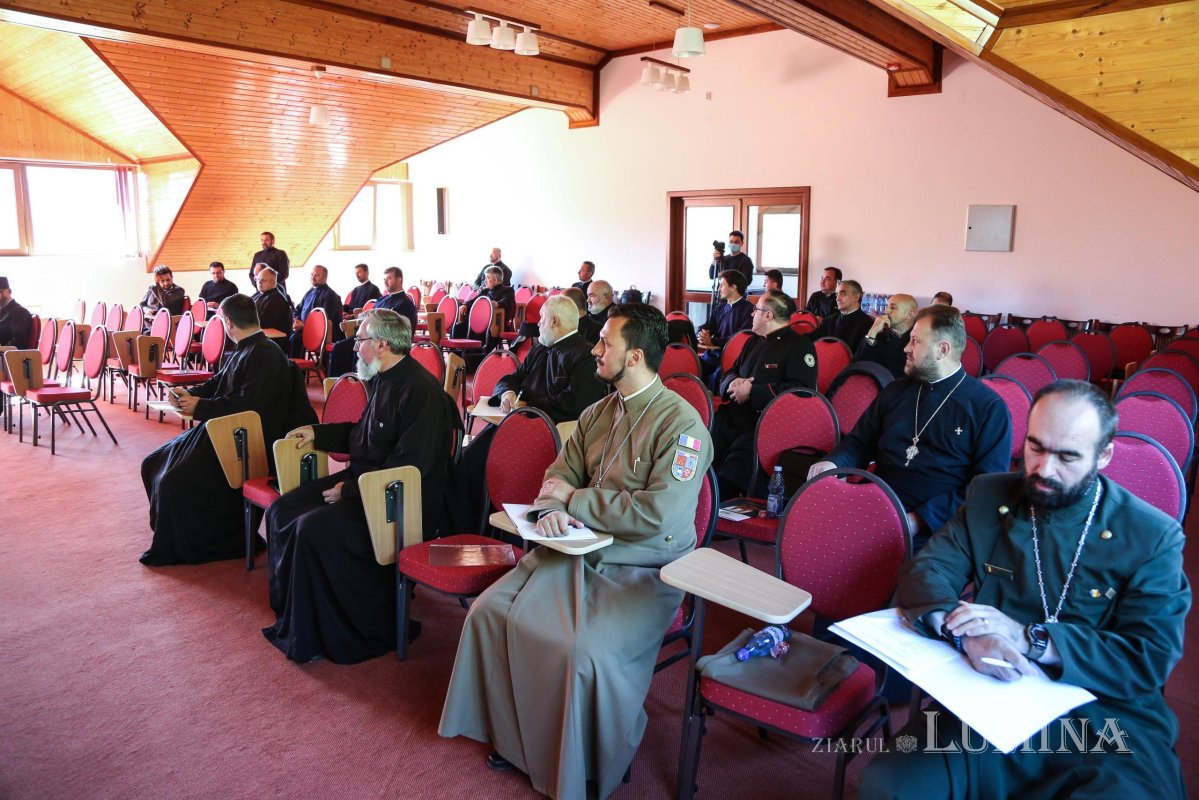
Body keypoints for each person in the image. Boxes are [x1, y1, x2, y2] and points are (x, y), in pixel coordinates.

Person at [860, 380, 1190, 800]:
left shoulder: (1152, 536)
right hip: (991, 689)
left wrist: (1030, 637)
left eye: (1068, 456)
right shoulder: (989, 495)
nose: (1044, 469)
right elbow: (928, 571)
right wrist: (965, 631)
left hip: (1102, 712)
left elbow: (1148, 656)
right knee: (888, 786)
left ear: (1103, 455)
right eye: (1035, 448)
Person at [439, 303, 713, 800]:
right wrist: (551, 508)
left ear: (634, 357)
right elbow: (559, 474)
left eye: (605, 342)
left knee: (580, 651)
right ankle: (514, 738)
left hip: (643, 568)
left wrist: (577, 502)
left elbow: (661, 516)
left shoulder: (683, 425)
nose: (595, 349)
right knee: (489, 611)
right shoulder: (597, 412)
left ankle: (578, 762)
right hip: (575, 549)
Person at [263, 309, 458, 664]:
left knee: (313, 528)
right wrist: (317, 433)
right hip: (367, 483)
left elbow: (409, 466)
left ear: (382, 344)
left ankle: (326, 633)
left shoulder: (422, 393)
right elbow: (363, 435)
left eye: (360, 340)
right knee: (282, 509)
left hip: (396, 503)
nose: (355, 348)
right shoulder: (383, 378)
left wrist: (350, 491)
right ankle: (292, 617)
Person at [807, 305, 1011, 547]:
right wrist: (834, 463)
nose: (906, 348)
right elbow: (860, 442)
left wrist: (920, 520)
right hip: (875, 506)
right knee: (813, 542)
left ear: (942, 350)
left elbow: (986, 490)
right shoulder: (896, 391)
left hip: (939, 528)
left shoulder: (987, 408)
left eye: (915, 341)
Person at [139, 294, 297, 566]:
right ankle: (180, 537)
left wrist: (199, 406)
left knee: (173, 481)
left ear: (227, 322)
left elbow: (249, 406)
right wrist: (188, 393)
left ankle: (202, 543)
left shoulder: (266, 354)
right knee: (152, 462)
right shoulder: (245, 348)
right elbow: (218, 384)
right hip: (223, 427)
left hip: (244, 440)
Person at [442, 295, 608, 532]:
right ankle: (463, 528)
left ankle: (480, 528)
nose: (538, 324)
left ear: (554, 322)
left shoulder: (585, 357)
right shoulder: (541, 349)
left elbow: (574, 405)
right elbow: (511, 378)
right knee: (468, 458)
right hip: (514, 425)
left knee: (482, 464)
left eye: (541, 319)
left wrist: (526, 406)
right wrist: (508, 393)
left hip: (548, 435)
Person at [712, 290, 817, 498]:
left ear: (768, 315)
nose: (752, 314)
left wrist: (752, 391)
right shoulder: (753, 341)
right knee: (702, 450)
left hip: (765, 421)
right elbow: (730, 371)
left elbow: (801, 392)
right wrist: (734, 382)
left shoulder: (799, 346)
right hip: (734, 415)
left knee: (733, 468)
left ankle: (722, 508)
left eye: (755, 310)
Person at [326, 267, 416, 378]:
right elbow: (367, 321)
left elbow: (403, 332)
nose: (386, 282)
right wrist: (350, 325)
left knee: (353, 348)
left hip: (383, 342)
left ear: (399, 279)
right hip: (369, 336)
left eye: (389, 278)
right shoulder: (382, 300)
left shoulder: (405, 303)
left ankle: (357, 382)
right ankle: (338, 385)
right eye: (384, 279)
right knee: (339, 347)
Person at [697, 269, 753, 384]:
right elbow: (708, 325)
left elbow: (738, 338)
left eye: (722, 285)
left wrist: (712, 340)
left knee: (716, 376)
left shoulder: (749, 309)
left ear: (733, 287)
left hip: (730, 358)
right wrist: (701, 334)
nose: (718, 289)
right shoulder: (721, 307)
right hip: (711, 355)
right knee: (692, 365)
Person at [855, 293, 918, 378]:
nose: (886, 311)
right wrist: (872, 332)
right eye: (886, 307)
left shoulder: (917, 341)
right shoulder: (879, 334)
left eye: (892, 307)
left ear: (909, 315)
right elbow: (858, 364)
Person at [288, 265, 342, 357]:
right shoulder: (309, 292)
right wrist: (297, 320)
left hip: (319, 333)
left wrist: (305, 325)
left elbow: (326, 320)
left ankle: (295, 368)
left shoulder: (331, 296)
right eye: (312, 274)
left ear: (325, 277)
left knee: (296, 338)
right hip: (303, 328)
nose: (313, 277)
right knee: (288, 335)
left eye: (317, 275)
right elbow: (298, 309)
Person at [451, 266, 514, 341]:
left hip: (495, 324)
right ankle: (457, 352)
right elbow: (474, 301)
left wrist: (497, 304)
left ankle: (469, 352)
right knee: (457, 328)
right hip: (479, 321)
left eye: (487, 277)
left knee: (476, 335)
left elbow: (506, 301)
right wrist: (465, 305)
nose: (484, 280)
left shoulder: (508, 290)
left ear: (495, 279)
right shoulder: (485, 291)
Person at [807, 279, 872, 351]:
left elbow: (865, 350)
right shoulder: (829, 320)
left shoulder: (868, 323)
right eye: (836, 294)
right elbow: (811, 339)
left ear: (856, 297)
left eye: (843, 293)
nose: (837, 298)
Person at [251, 267, 293, 334]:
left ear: (274, 282)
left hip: (273, 340)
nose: (259, 282)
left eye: (264, 280)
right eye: (258, 279)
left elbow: (263, 324)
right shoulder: (260, 293)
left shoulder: (276, 300)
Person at [0, 276, 33, 347]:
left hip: (13, 356)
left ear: (8, 292)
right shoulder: (2, 313)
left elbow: (18, 342)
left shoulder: (20, 313)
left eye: (0, 291)